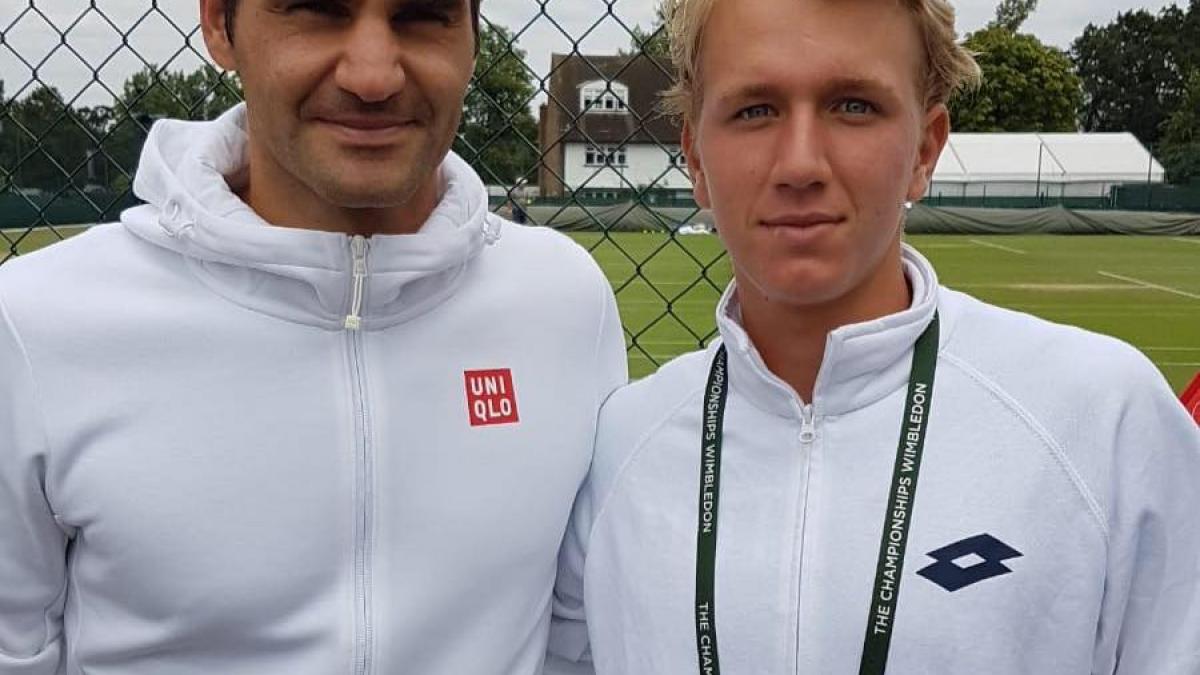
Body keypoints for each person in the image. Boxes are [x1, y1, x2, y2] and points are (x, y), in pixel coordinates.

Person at [546, 0, 1200, 673]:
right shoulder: (619, 451)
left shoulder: (1102, 421)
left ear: (925, 149)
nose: (800, 164)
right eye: (755, 110)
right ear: (694, 158)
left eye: (853, 106)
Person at [0, 0, 627, 673]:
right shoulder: (35, 324)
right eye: (316, 10)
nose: (373, 76)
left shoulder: (564, 302)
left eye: (422, 15)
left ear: (473, 37)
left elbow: (580, 643)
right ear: (220, 26)